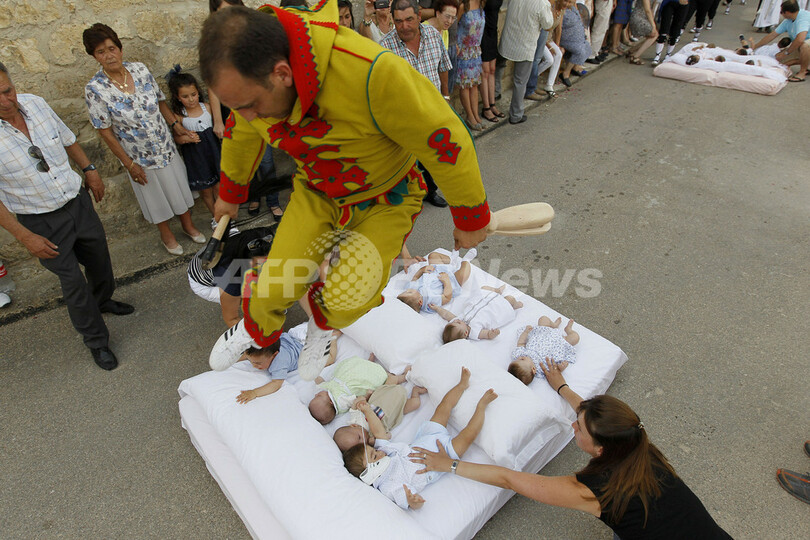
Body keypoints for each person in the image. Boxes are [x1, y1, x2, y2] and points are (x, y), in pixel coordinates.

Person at [200, 3, 489, 379]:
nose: (248, 115)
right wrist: (232, 191)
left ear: (283, 73)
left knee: (347, 297)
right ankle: (254, 329)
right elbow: (241, 131)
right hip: (317, 190)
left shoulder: (372, 72)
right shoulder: (253, 85)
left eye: (251, 105)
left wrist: (469, 216)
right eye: (239, 107)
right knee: (275, 281)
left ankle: (323, 324)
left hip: (387, 196)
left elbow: (444, 140)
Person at [411, 360, 733, 539]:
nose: (572, 427)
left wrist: (448, 464)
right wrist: (562, 387)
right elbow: (593, 415)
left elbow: (510, 479)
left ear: (602, 450)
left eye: (578, 429)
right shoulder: (636, 441)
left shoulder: (594, 491)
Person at [0, 62, 133, 370]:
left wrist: (90, 170)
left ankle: (101, 301)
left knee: (99, 259)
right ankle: (96, 341)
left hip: (76, 202)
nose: (7, 101)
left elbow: (68, 139)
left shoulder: (35, 103)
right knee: (72, 280)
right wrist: (25, 237)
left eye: (8, 91)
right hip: (39, 221)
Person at [82, 23, 205, 256]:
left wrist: (176, 126)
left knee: (178, 187)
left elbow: (160, 102)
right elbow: (105, 131)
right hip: (138, 156)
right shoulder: (95, 88)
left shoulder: (139, 69)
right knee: (155, 197)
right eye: (101, 52)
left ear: (119, 47)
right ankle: (166, 236)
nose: (108, 55)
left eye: (111, 48)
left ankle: (188, 226)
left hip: (164, 145)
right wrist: (129, 164)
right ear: (94, 56)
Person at [342, 367, 497, 509]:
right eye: (374, 456)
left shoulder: (384, 451)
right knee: (469, 434)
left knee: (443, 408)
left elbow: (379, 432)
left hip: (427, 438)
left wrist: (368, 411)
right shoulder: (388, 485)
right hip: (442, 458)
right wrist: (412, 500)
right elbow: (409, 499)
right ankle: (482, 406)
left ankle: (462, 385)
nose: (380, 453)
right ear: (368, 473)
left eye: (374, 451)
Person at [381, 0, 452, 208]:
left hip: (433, 110)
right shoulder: (385, 47)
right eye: (399, 21)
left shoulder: (433, 36)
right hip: (405, 117)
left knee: (432, 156)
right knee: (408, 161)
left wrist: (446, 97)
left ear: (419, 17)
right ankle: (407, 199)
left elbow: (444, 66)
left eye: (409, 19)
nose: (404, 26)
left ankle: (430, 191)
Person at [187, 227, 275, 327]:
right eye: (260, 264)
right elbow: (231, 319)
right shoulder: (230, 277)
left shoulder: (247, 240)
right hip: (204, 285)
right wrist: (262, 339)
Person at [235, 325, 341, 403]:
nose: (254, 366)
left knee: (329, 359)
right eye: (251, 361)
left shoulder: (279, 362)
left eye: (258, 363)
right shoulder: (262, 352)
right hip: (295, 337)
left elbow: (276, 383)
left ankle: (332, 337)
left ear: (274, 355)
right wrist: (234, 360)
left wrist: (254, 393)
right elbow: (247, 354)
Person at [166, 67, 220, 218]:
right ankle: (215, 217)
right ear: (177, 97)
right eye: (185, 96)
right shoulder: (180, 116)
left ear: (198, 92)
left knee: (219, 187)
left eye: (193, 94)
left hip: (213, 153)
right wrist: (187, 139)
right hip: (197, 158)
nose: (191, 99)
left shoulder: (207, 108)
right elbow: (177, 138)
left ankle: (226, 220)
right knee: (206, 191)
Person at [309, 355, 412, 424]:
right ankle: (404, 376)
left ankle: (368, 362)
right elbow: (357, 400)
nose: (316, 394)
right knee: (383, 380)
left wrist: (315, 376)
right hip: (359, 383)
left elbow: (321, 383)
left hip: (349, 373)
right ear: (331, 402)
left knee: (360, 367)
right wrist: (367, 395)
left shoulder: (327, 391)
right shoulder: (341, 402)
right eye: (319, 396)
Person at [498, 0, 554, 124]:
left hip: (508, 40)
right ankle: (516, 115)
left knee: (499, 68)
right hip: (525, 45)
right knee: (520, 81)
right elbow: (548, 25)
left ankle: (494, 97)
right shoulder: (543, 3)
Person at [333, 384, 427, 451]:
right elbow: (388, 436)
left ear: (353, 426)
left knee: (386, 390)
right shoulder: (372, 441)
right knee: (415, 404)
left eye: (359, 437)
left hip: (380, 402)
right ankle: (416, 391)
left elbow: (356, 404)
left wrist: (361, 401)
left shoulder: (356, 419)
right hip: (395, 413)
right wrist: (375, 440)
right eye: (361, 444)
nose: (363, 440)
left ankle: (394, 378)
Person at [433, 284, 523, 342]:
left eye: (454, 321)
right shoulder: (474, 332)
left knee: (484, 288)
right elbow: (487, 335)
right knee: (509, 299)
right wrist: (493, 333)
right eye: (458, 323)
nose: (456, 320)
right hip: (495, 308)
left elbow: (446, 314)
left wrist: (437, 308)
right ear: (465, 333)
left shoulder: (459, 320)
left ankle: (497, 291)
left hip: (483, 299)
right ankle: (515, 305)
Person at [396, 249, 474, 312]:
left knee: (433, 256)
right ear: (420, 302)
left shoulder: (411, 288)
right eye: (409, 292)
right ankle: (466, 261)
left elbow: (415, 277)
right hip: (451, 281)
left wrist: (422, 270)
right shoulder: (430, 302)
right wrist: (446, 281)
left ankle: (451, 260)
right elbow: (446, 297)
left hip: (435, 271)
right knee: (463, 275)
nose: (407, 290)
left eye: (405, 291)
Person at [507, 316, 579, 384]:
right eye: (522, 359)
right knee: (575, 338)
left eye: (516, 359)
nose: (519, 357)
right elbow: (555, 370)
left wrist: (525, 332)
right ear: (533, 369)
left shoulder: (520, 354)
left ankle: (553, 325)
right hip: (558, 342)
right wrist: (561, 368)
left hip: (543, 333)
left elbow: (521, 343)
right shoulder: (541, 369)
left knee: (543, 319)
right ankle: (568, 330)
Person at [752, 0, 810, 81]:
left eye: (781, 12)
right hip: (800, 47)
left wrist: (787, 52)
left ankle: (802, 72)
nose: (780, 13)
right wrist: (754, 47)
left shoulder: (803, 18)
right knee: (779, 61)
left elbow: (800, 39)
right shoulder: (788, 20)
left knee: (805, 45)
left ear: (787, 12)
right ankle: (806, 62)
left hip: (805, 46)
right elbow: (772, 35)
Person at [455, 0, 486, 131]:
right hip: (463, 51)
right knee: (465, 85)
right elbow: (453, 25)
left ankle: (475, 115)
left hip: (475, 51)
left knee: (474, 85)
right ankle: (470, 116)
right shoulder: (463, 6)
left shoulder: (481, 5)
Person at [480, 0, 506, 121]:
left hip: (493, 31)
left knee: (492, 69)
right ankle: (486, 108)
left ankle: (492, 104)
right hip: (483, 32)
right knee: (485, 72)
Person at [558, 0, 592, 87]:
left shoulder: (573, 7)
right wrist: (557, 44)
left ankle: (575, 67)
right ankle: (565, 73)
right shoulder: (561, 9)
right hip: (566, 39)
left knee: (587, 46)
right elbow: (558, 29)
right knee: (579, 50)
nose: (569, 3)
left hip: (575, 38)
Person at [652, 0, 690, 66]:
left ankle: (668, 54)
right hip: (669, 2)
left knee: (676, 29)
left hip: (683, 3)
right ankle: (657, 55)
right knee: (664, 27)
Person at [626, 0, 659, 64]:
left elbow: (651, 10)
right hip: (638, 18)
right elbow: (648, 10)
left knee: (652, 36)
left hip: (644, 18)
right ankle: (635, 56)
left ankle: (632, 51)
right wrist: (653, 26)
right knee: (654, 35)